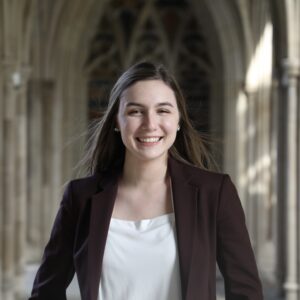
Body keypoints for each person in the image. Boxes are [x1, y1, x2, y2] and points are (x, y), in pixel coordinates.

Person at [29, 61, 263, 300]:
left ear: (179, 120)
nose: (150, 124)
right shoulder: (81, 198)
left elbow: (246, 293)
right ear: (117, 123)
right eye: (135, 111)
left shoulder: (214, 193)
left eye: (163, 110)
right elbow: (45, 292)